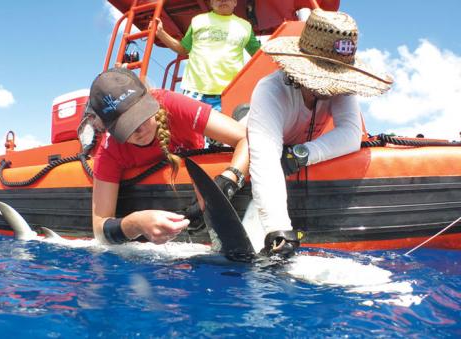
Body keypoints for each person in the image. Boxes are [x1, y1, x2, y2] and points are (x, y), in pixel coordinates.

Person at [247, 9, 393, 257]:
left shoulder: (341, 89)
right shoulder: (270, 90)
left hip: (298, 148)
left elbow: (350, 134)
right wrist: (277, 229)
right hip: (257, 137)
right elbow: (266, 160)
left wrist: (301, 155)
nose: (333, 86)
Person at [88, 67, 249, 245]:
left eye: (141, 115)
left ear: (148, 97)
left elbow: (246, 137)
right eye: (128, 126)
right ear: (108, 127)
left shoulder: (171, 103)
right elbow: (99, 229)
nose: (140, 130)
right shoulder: (109, 150)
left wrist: (227, 181)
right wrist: (136, 223)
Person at [153, 0, 260, 112]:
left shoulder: (245, 26)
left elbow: (258, 54)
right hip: (195, 91)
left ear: (235, 2)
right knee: (191, 129)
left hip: (228, 93)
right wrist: (161, 34)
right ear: (211, 3)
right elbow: (184, 49)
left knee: (224, 129)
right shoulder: (198, 21)